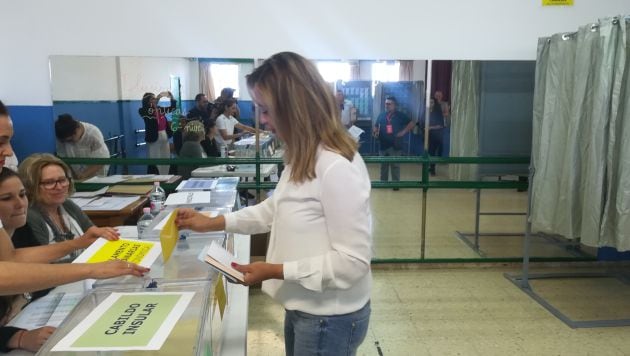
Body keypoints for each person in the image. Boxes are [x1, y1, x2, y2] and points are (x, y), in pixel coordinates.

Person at [176, 52, 372, 356]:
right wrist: (213, 222)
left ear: (296, 107)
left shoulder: (336, 167)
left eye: (266, 110)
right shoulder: (302, 154)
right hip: (305, 306)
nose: (262, 120)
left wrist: (275, 270)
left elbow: (353, 263)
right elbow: (274, 209)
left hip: (328, 317)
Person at [0, 100, 149, 297]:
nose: (9, 152)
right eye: (1, 141)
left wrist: (80, 245)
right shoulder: (33, 216)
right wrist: (92, 269)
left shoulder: (68, 206)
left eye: (63, 180)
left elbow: (10, 258)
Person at [13, 154, 119, 262]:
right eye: (49, 182)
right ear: (31, 185)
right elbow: (43, 266)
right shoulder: (29, 216)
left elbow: (93, 235)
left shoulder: (67, 205)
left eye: (62, 180)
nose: (59, 187)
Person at [372, 95, 414, 187]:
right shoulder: (382, 115)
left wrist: (403, 132)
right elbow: (376, 126)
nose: (386, 105)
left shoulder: (400, 115)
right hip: (383, 145)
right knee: (383, 165)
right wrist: (375, 131)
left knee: (395, 165)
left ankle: (395, 184)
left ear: (394, 105)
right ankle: (383, 183)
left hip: (395, 145)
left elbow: (411, 123)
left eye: (389, 104)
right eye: (386, 104)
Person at [54, 114, 110, 180]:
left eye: (71, 140)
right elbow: (64, 159)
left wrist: (83, 175)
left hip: (96, 174)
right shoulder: (61, 137)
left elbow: (101, 160)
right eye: (67, 141)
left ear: (77, 129)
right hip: (76, 174)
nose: (70, 142)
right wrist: (71, 176)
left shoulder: (93, 134)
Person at [138, 91, 176, 175]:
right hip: (153, 137)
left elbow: (172, 108)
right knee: (155, 159)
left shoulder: (160, 109)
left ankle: (165, 177)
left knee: (166, 158)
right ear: (147, 101)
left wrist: (172, 98)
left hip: (164, 135)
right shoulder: (143, 110)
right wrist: (158, 100)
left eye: (155, 98)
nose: (155, 100)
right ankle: (156, 179)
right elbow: (148, 112)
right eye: (153, 99)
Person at [427, 91, 447, 175]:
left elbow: (440, 125)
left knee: (432, 152)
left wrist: (430, 127)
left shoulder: (438, 112)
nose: (430, 104)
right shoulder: (426, 112)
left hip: (436, 135)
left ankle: (432, 169)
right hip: (428, 135)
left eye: (432, 102)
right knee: (429, 152)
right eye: (429, 102)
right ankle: (431, 167)